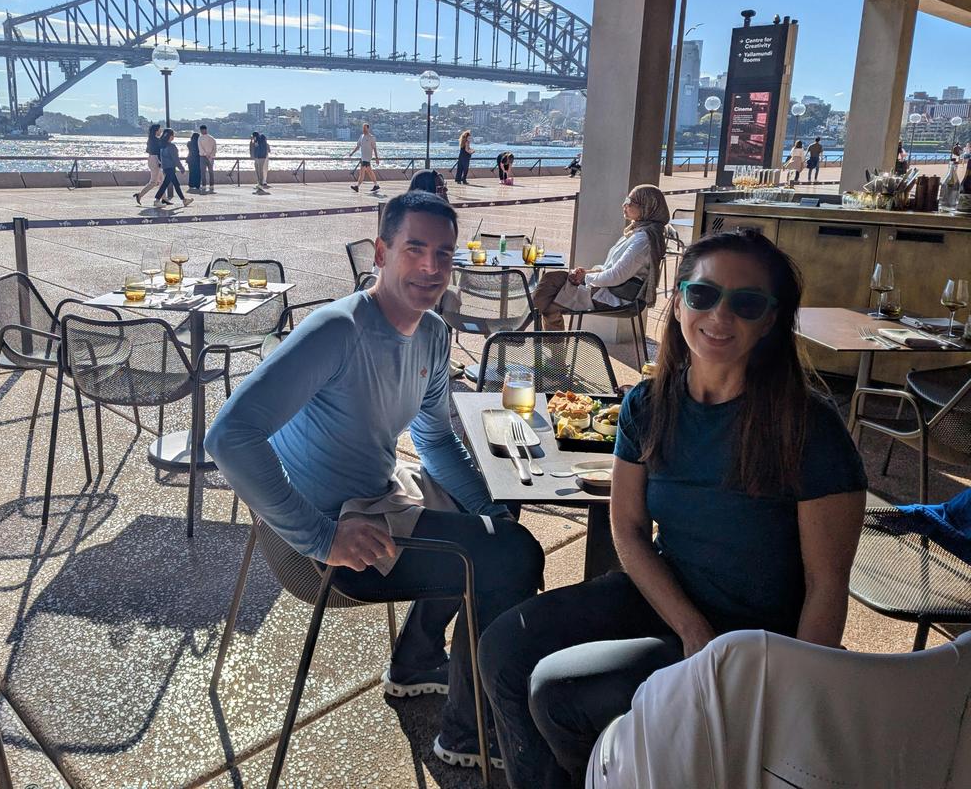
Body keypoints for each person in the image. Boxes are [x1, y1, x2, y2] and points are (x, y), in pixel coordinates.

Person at [479, 229, 868, 788]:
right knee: (503, 647)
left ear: (771, 320)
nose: (719, 315)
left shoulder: (808, 427)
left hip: (755, 639)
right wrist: (689, 627)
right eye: (704, 294)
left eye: (747, 302)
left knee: (561, 693)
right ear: (679, 300)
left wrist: (793, 694)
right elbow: (629, 528)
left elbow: (827, 582)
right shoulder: (648, 403)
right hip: (669, 599)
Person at [206, 191, 545, 771]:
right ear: (383, 253)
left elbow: (435, 440)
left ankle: (416, 662)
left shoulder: (433, 336)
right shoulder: (337, 331)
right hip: (334, 537)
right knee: (511, 558)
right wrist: (321, 537)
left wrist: (496, 511)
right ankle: (469, 734)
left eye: (443, 253)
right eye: (415, 248)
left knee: (496, 530)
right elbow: (229, 437)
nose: (431, 268)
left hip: (378, 497)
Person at [532, 184, 669, 330]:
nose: (624, 205)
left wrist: (585, 278)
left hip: (617, 297)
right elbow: (611, 268)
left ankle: (522, 327)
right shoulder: (638, 232)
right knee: (551, 279)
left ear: (646, 207)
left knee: (548, 303)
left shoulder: (643, 240)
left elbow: (616, 276)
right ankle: (529, 329)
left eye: (629, 202)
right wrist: (588, 273)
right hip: (611, 288)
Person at [154, 130, 191, 208]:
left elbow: (161, 158)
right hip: (170, 168)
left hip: (165, 168)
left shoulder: (162, 146)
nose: (174, 137)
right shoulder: (171, 147)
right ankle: (157, 200)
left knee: (176, 184)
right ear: (170, 136)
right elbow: (176, 159)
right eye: (173, 135)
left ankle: (184, 200)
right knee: (165, 184)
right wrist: (182, 169)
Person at [134, 123, 164, 205]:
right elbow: (159, 152)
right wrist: (160, 162)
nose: (161, 130)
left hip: (151, 158)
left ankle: (164, 198)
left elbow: (148, 150)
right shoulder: (157, 140)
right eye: (159, 129)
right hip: (156, 160)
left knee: (162, 180)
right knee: (153, 182)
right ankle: (140, 195)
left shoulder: (150, 139)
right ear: (156, 131)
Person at [348, 123, 381, 194]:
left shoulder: (371, 137)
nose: (364, 130)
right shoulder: (361, 136)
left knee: (362, 173)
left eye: (365, 128)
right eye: (363, 128)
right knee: (369, 172)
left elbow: (374, 148)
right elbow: (358, 146)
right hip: (363, 158)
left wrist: (376, 158)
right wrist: (352, 153)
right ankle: (376, 185)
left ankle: (357, 186)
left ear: (368, 129)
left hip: (367, 158)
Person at [198, 125, 217, 193]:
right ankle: (211, 186)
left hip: (203, 157)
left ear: (201, 130)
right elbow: (215, 148)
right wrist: (210, 155)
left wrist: (206, 154)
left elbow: (200, 148)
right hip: (211, 157)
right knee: (211, 172)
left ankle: (204, 186)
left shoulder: (200, 138)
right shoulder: (212, 138)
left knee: (203, 172)